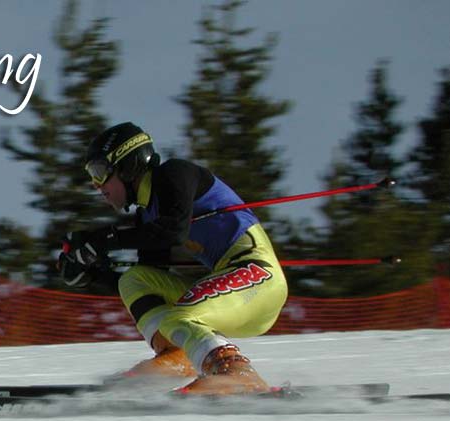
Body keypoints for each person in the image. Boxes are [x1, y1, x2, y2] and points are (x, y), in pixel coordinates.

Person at [58, 122, 288, 395]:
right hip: (231, 291)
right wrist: (92, 274)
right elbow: (152, 276)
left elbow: (172, 231)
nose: (97, 186)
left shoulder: (174, 174)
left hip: (258, 278)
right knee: (135, 279)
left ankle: (235, 372)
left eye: (98, 172)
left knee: (180, 316)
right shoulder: (146, 214)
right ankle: (178, 356)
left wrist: (103, 240)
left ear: (127, 165)